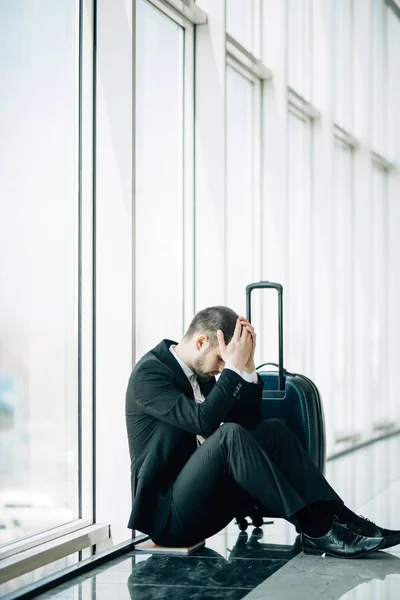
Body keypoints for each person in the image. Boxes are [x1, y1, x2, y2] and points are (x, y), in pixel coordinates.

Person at [125, 306, 400, 559]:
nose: (222, 369)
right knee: (228, 436)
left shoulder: (202, 374)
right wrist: (232, 369)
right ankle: (317, 529)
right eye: (221, 360)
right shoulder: (149, 375)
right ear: (201, 343)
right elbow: (204, 422)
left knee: (273, 432)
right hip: (170, 520)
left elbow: (248, 423)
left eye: (225, 364)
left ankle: (344, 519)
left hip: (207, 504)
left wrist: (247, 367)